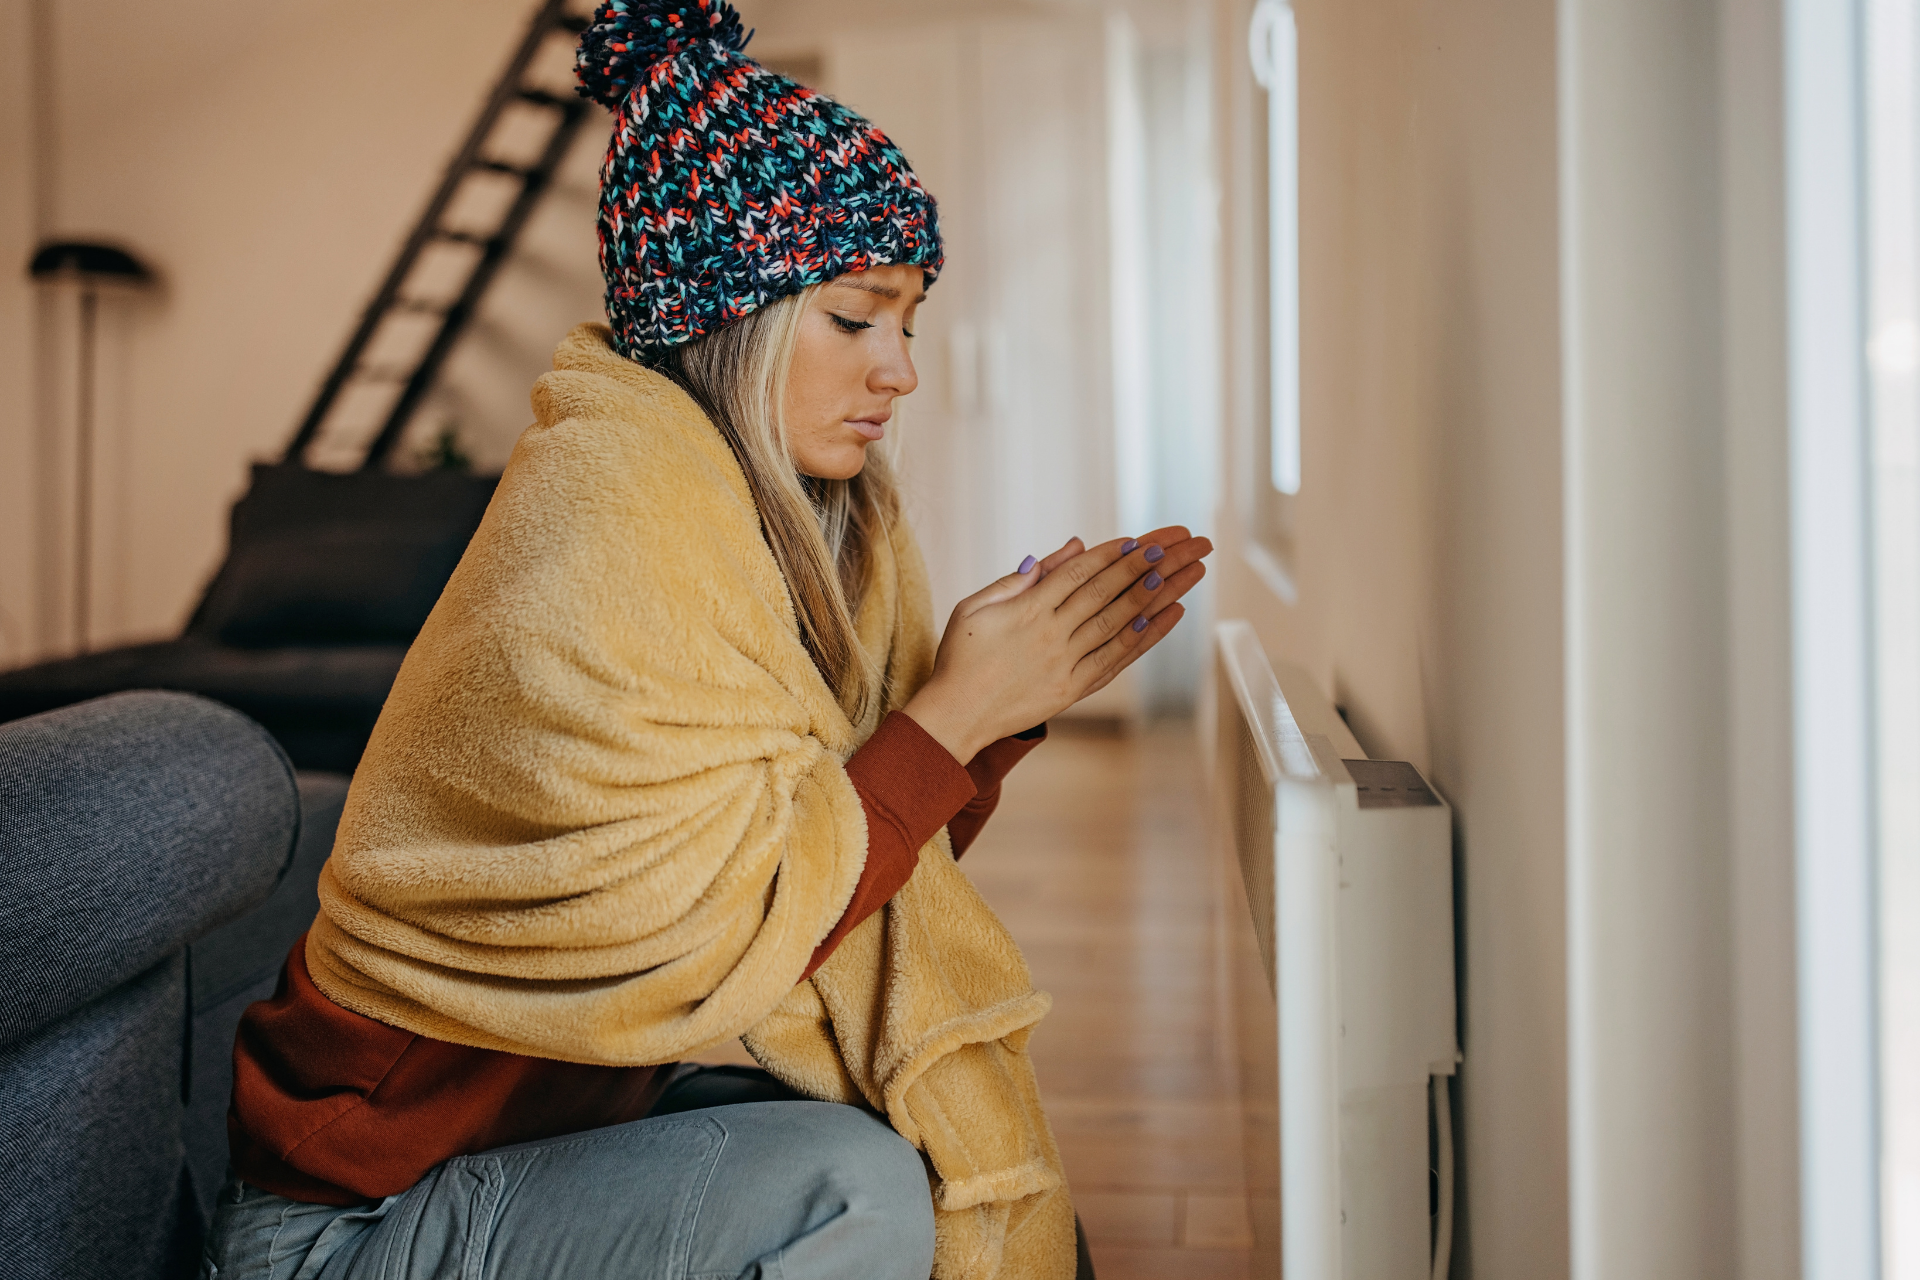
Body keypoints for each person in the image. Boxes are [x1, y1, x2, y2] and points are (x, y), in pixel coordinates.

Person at [201, 2, 1212, 1277]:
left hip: (528, 1148)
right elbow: (728, 936)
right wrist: (947, 717)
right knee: (854, 1191)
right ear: (728, 318)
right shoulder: (607, 538)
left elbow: (855, 868)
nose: (901, 368)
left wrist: (991, 702)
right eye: (856, 317)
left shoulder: (774, 525)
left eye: (911, 319)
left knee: (940, 1159)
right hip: (346, 1223)